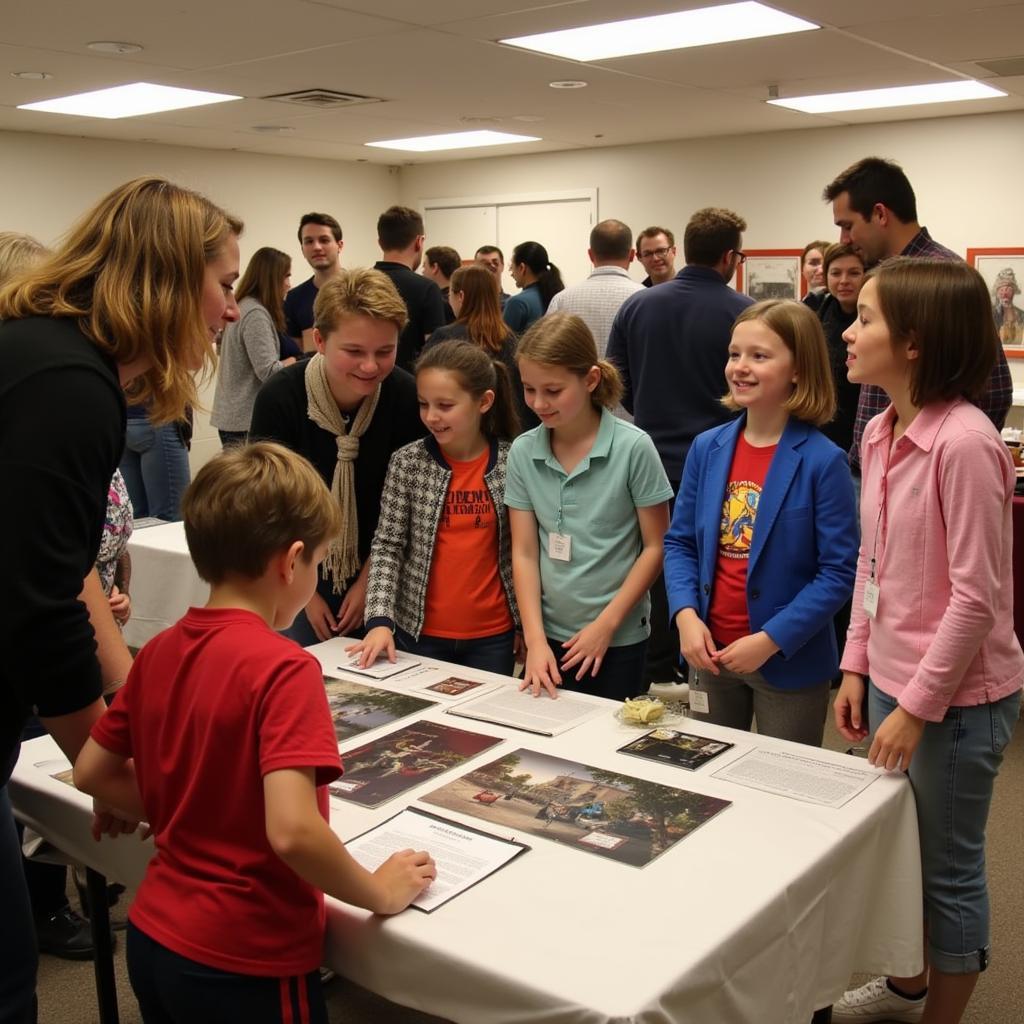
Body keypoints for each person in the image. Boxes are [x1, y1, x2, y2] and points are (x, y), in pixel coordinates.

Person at [74, 443, 435, 1024]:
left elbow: (91, 772)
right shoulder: (284, 667)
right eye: (318, 559)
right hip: (245, 958)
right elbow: (292, 832)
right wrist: (378, 889)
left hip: (154, 935)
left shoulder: (162, 649)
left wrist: (187, 810)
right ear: (291, 562)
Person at [0, 175, 242, 1023]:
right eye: (223, 285)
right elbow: (38, 610)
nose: (227, 313)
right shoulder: (68, 384)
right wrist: (107, 772)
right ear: (172, 279)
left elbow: (63, 574)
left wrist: (120, 706)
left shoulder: (47, 355)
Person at [831, 259, 1023, 1024]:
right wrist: (855, 665)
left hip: (954, 701)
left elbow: (978, 598)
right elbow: (872, 564)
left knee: (948, 868)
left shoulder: (967, 443)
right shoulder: (882, 430)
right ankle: (911, 981)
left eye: (866, 318)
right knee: (900, 850)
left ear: (912, 342)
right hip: (892, 681)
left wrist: (912, 705)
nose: (848, 329)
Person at [664, 300, 858, 746]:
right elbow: (680, 545)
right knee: (707, 775)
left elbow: (837, 573)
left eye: (760, 356)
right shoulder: (707, 448)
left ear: (798, 369)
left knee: (783, 784)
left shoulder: (822, 462)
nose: (741, 367)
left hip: (787, 659)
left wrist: (770, 639)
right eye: (735, 354)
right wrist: (686, 616)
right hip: (709, 652)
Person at [607, 207, 753, 686]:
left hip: (650, 458)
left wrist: (649, 404)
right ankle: (705, 659)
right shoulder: (744, 313)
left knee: (654, 558)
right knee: (712, 562)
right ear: (730, 256)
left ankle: (655, 664)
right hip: (722, 463)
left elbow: (617, 381)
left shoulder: (638, 306)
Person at [250, 268, 424, 647]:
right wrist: (305, 595)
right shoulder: (280, 397)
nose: (370, 366)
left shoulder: (406, 397)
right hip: (294, 576)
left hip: (380, 576)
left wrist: (369, 582)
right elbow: (264, 506)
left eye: (385, 351)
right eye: (354, 351)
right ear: (320, 340)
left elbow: (408, 506)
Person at [505, 313, 672, 701]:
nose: (538, 403)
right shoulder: (524, 451)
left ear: (591, 379)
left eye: (553, 390)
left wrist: (606, 626)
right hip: (548, 635)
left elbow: (655, 547)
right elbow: (525, 552)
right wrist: (534, 639)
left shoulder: (634, 447)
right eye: (529, 389)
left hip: (619, 637)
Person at [823, 156, 1012, 471]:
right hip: (876, 466)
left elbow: (994, 390)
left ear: (880, 214)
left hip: (916, 472)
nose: (844, 239)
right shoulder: (882, 277)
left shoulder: (941, 277)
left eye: (848, 225)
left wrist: (932, 459)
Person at [349, 341, 521, 675]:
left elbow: (523, 551)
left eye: (445, 405)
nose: (431, 416)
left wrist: (526, 625)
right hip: (419, 634)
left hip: (492, 637)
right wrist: (379, 620)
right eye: (424, 404)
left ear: (484, 401)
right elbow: (387, 546)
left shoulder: (513, 462)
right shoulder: (408, 463)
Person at [425, 263, 535, 430]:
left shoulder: (444, 338)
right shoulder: (511, 339)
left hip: (458, 432)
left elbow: (426, 390)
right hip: (505, 432)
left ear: (460, 296)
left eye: (450, 295)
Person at [212, 246, 297, 447]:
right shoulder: (255, 314)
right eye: (286, 276)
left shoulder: (243, 306)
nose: (289, 284)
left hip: (233, 418)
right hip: (245, 421)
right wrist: (296, 361)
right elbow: (268, 372)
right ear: (271, 278)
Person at [546, 219, 644, 358]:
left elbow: (547, 353)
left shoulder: (561, 300)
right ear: (632, 255)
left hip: (578, 379)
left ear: (591, 255)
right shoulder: (645, 298)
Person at [374, 205, 447, 370]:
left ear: (380, 243)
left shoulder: (359, 284)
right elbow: (436, 354)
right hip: (411, 387)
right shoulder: (427, 289)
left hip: (366, 384)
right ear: (419, 242)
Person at [816, 243, 866, 454]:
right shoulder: (816, 315)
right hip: (823, 432)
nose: (844, 281)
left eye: (854, 273)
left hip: (862, 430)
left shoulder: (879, 319)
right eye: (836, 273)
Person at [283, 212, 343, 348]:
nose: (316, 247)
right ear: (303, 250)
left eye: (324, 240)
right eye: (309, 241)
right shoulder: (294, 299)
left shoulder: (362, 288)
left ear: (340, 245)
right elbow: (298, 356)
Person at [503, 241, 564, 334]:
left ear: (522, 268)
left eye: (512, 267)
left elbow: (504, 345)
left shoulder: (517, 303)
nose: (511, 273)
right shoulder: (557, 296)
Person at [422, 245, 461, 322]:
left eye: (424, 266)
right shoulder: (463, 298)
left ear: (435, 267)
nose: (423, 272)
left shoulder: (435, 302)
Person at [991, 266, 1024, 347]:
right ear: (997, 293)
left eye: (1008, 289)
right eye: (1001, 290)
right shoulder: (990, 313)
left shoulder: (1021, 314)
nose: (1005, 294)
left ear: (1014, 292)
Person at [799, 239, 830, 312]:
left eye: (827, 264)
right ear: (802, 269)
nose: (821, 270)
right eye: (813, 263)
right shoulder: (798, 307)